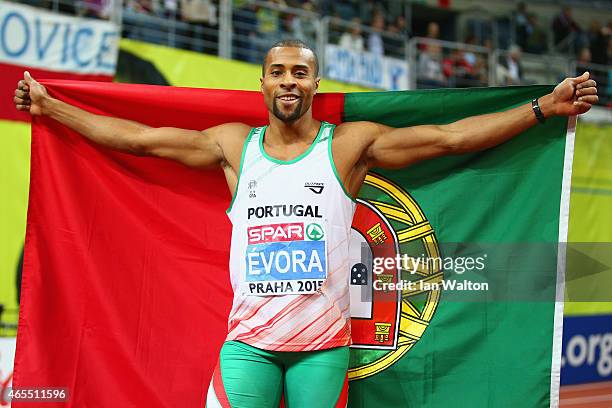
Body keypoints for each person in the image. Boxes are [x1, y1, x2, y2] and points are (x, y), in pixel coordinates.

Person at [13, 39, 598, 407]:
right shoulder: (233, 147)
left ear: (315, 83)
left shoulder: (346, 147)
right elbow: (139, 139)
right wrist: (51, 106)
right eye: (277, 71)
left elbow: (446, 139)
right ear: (262, 82)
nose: (288, 80)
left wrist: (542, 107)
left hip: (322, 350)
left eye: (299, 71)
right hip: (248, 347)